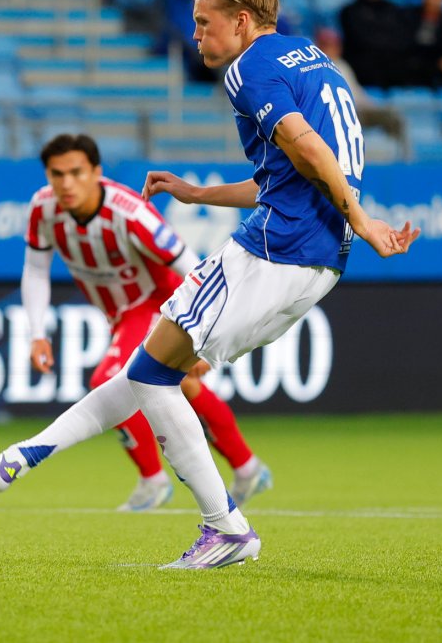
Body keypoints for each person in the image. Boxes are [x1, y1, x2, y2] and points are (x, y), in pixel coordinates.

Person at [0, 0, 419, 569]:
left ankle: (226, 529)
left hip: (273, 248)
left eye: (204, 22)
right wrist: (198, 194)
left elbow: (310, 149)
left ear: (241, 21)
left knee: (154, 374)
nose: (196, 35)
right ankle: (30, 454)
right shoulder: (312, 58)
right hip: (317, 262)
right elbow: (288, 173)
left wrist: (364, 219)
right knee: (150, 371)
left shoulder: (248, 68)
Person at [21, 133, 272, 512]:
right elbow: (36, 270)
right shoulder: (43, 209)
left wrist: (199, 330)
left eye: (76, 172)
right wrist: (37, 334)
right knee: (179, 387)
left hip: (160, 301)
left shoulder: (127, 211)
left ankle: (153, 482)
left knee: (108, 380)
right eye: (57, 174)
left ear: (96, 172)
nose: (66, 183)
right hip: (121, 314)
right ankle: (247, 467)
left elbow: (187, 261)